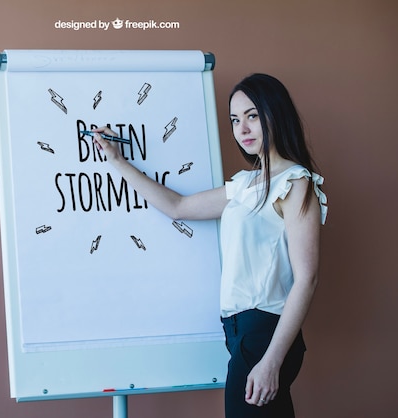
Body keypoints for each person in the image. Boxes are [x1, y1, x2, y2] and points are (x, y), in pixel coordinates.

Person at [92, 73, 327, 418]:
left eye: (252, 116)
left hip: (265, 335)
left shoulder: (295, 182)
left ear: (275, 114)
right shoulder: (245, 184)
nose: (242, 128)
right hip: (240, 335)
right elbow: (178, 207)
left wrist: (270, 361)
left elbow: (307, 278)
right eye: (235, 119)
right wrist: (117, 162)